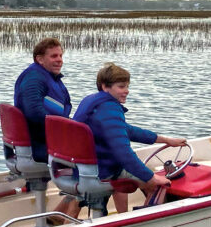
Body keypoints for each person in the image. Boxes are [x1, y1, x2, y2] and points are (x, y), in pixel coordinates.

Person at [73, 63, 186, 213]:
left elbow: (128, 130)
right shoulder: (110, 109)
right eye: (121, 87)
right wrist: (151, 178)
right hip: (103, 170)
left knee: (127, 170)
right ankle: (146, 220)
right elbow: (123, 153)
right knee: (158, 184)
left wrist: (165, 140)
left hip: (83, 168)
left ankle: (122, 216)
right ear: (105, 86)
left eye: (127, 86)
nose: (127, 91)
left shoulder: (92, 101)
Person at [13, 37, 80, 222]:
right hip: (39, 145)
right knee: (95, 161)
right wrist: (65, 132)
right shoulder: (34, 78)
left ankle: (58, 214)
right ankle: (71, 220)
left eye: (60, 55)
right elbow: (34, 113)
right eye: (54, 56)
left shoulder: (49, 77)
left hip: (46, 141)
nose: (59, 60)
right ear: (40, 59)